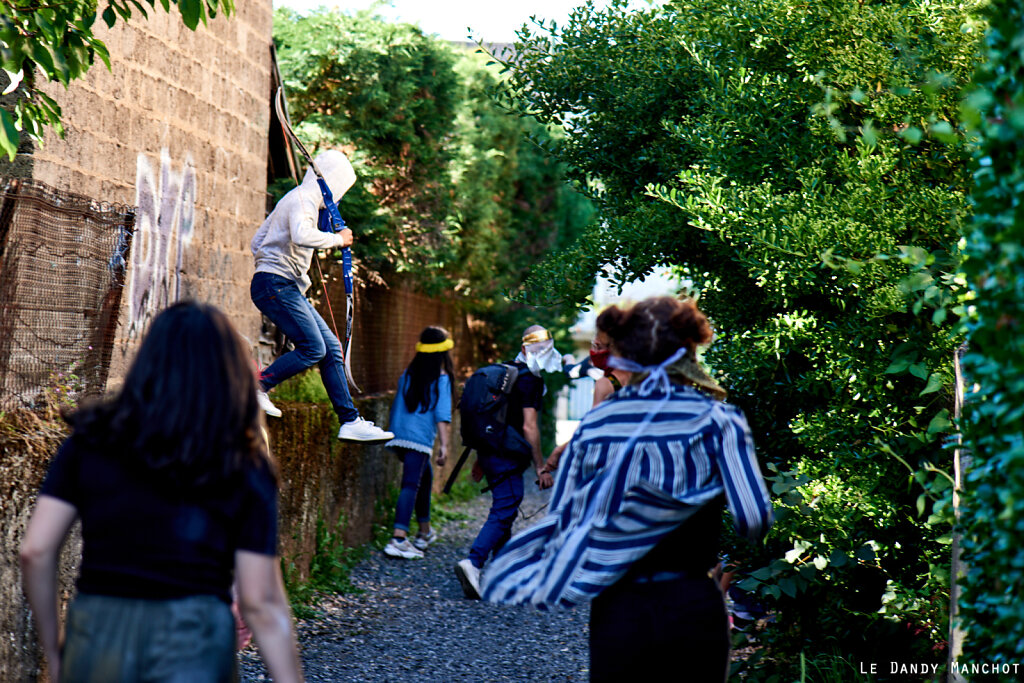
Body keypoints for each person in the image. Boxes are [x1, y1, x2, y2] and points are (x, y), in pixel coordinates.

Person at [481, 297, 773, 682]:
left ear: (627, 353)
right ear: (687, 351)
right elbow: (754, 519)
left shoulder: (598, 425)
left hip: (619, 606)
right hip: (691, 603)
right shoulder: (720, 420)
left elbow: (566, 522)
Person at [19, 302, 303, 683]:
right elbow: (260, 600)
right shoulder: (244, 461)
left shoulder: (90, 440)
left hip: (98, 631)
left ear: (148, 361)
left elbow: (35, 550)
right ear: (229, 373)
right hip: (196, 638)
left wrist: (56, 652)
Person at [250, 148, 393, 443]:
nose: (339, 198)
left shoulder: (296, 199)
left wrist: (278, 258)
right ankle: (256, 387)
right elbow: (302, 235)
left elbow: (257, 242)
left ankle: (350, 420)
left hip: (282, 284)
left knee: (331, 349)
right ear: (333, 182)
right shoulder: (305, 199)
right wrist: (337, 240)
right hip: (276, 284)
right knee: (313, 348)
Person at [453, 325, 561, 599]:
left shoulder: (507, 373)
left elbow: (493, 419)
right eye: (539, 350)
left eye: (545, 350)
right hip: (506, 455)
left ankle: (505, 572)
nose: (543, 354)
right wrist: (540, 466)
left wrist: (481, 458)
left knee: (507, 509)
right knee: (505, 506)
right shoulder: (529, 380)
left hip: (491, 452)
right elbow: (529, 427)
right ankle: (474, 562)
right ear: (525, 349)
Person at [382, 326, 453, 559]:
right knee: (410, 484)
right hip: (419, 439)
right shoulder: (441, 379)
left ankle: (424, 533)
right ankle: (399, 538)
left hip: (399, 436)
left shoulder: (408, 374)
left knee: (425, 477)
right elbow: (442, 415)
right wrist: (445, 445)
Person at [540, 320, 634, 476]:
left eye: (598, 347)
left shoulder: (605, 383)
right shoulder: (643, 374)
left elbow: (590, 425)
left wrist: (559, 450)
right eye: (592, 345)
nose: (593, 352)